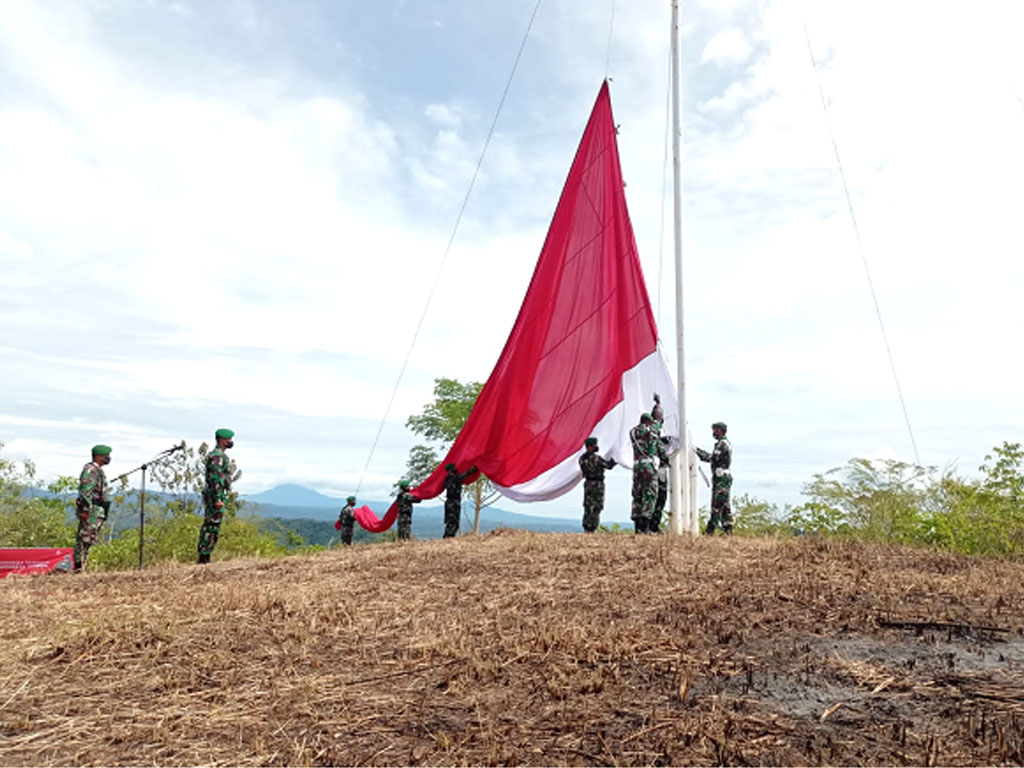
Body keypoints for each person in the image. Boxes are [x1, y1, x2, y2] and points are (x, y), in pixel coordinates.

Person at [198, 428, 237, 563]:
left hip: (218, 496)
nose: (230, 442)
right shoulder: (217, 457)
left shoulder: (221, 456)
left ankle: (206, 555)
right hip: (215, 497)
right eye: (228, 439)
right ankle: (204, 556)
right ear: (221, 440)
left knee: (214, 526)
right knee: (211, 526)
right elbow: (216, 479)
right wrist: (218, 498)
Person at [74, 444, 111, 572]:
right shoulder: (90, 470)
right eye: (106, 456)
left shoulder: (98, 471)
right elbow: (85, 492)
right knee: (84, 539)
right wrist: (85, 510)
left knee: (89, 539)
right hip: (91, 510)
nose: (108, 458)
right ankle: (79, 568)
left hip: (97, 509)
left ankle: (83, 566)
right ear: (98, 456)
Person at [695, 421, 733, 534]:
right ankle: (728, 529)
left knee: (717, 503)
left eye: (715, 430)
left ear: (721, 431)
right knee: (724, 504)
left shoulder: (722, 444)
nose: (714, 433)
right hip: (722, 476)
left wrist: (698, 452)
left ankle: (710, 529)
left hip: (721, 477)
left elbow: (713, 458)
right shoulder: (724, 443)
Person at [629, 413, 659, 533]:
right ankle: (645, 526)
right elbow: (656, 425)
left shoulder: (633, 432)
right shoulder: (650, 429)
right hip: (648, 465)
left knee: (638, 494)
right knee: (650, 493)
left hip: (637, 465)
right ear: (648, 422)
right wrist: (658, 411)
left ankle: (637, 527)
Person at [578, 437, 615, 532]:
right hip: (597, 484)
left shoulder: (581, 458)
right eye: (594, 445)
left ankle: (586, 527)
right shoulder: (596, 458)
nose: (596, 447)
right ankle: (592, 527)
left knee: (588, 506)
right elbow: (609, 465)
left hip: (588, 483)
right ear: (590, 446)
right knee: (597, 506)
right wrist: (616, 458)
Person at [443, 463, 478, 538]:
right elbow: (463, 475)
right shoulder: (453, 478)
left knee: (451, 522)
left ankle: (448, 538)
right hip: (453, 503)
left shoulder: (448, 479)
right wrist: (471, 470)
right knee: (453, 522)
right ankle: (448, 538)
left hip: (450, 502)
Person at [650, 436, 671, 534]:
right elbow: (664, 457)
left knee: (657, 499)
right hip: (659, 471)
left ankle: (651, 525)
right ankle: (653, 526)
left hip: (655, 471)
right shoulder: (657, 440)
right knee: (659, 499)